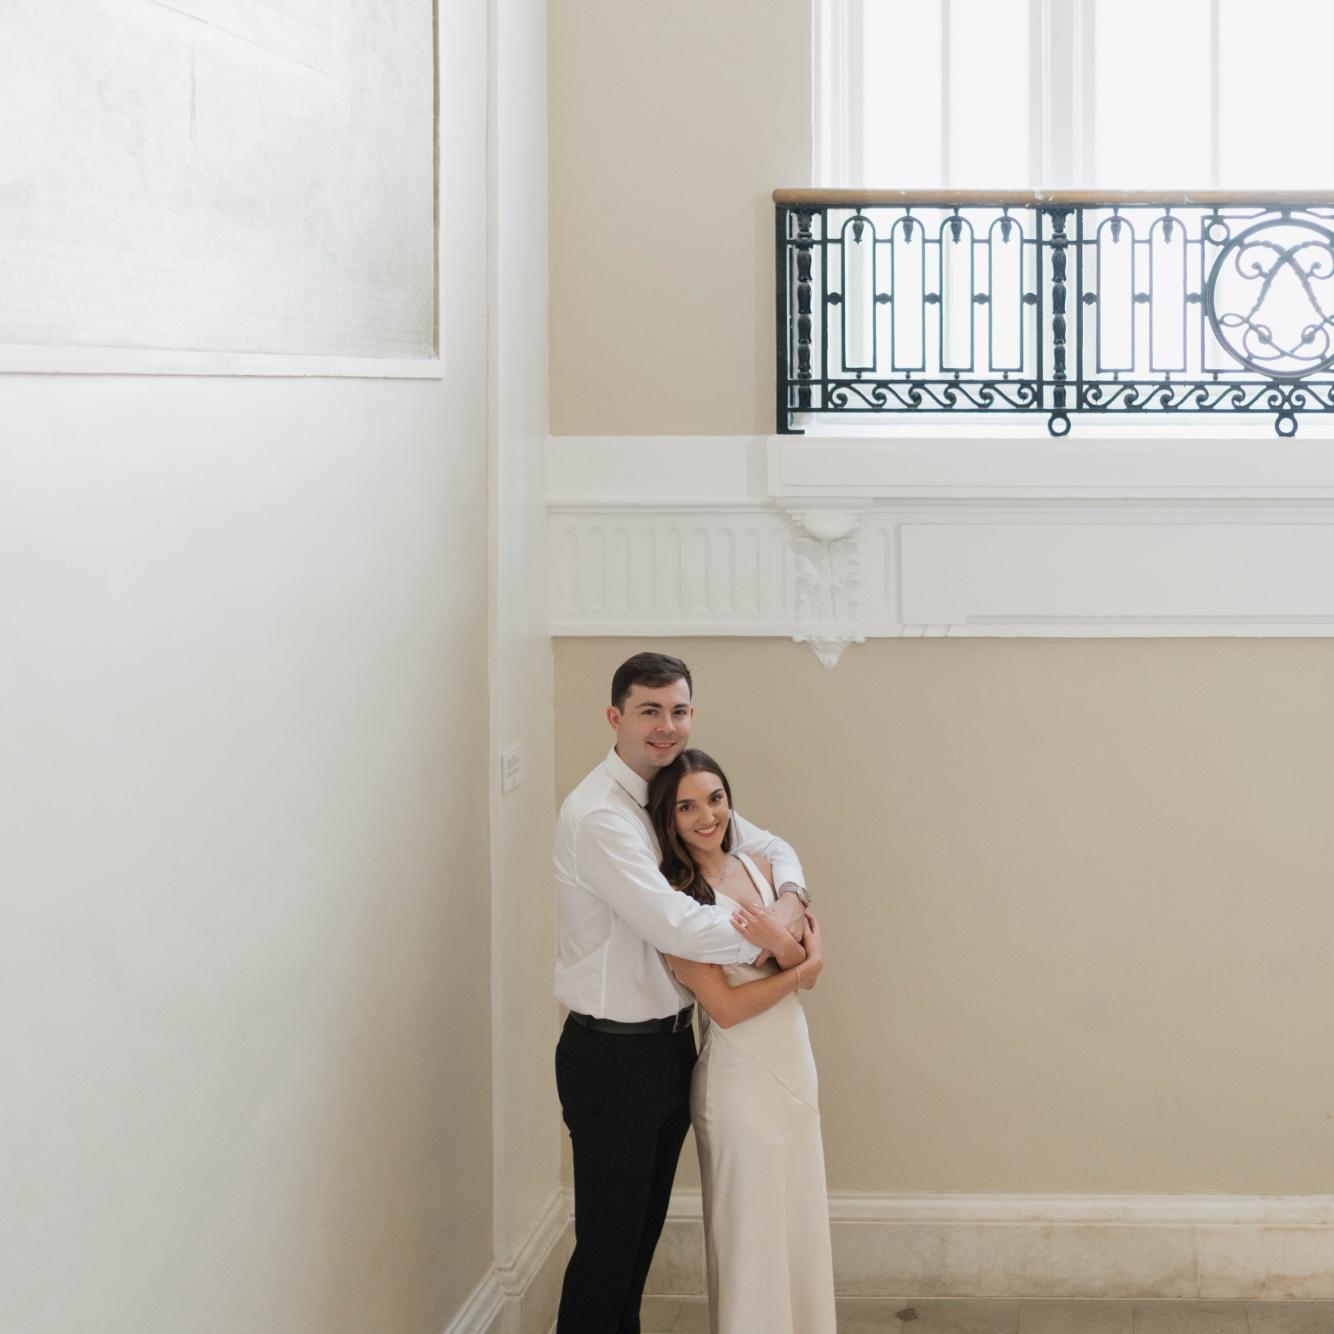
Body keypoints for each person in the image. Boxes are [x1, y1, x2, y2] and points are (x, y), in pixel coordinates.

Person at [553, 652, 812, 1334]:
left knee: (636, 1249)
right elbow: (677, 924)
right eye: (650, 711)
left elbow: (772, 846)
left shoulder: (674, 791)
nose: (666, 726)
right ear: (615, 717)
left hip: (671, 1049)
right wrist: (779, 946)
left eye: (679, 710)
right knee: (608, 1253)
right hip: (611, 1054)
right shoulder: (600, 815)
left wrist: (791, 899)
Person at [647, 749, 835, 1334]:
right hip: (740, 1079)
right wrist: (798, 968)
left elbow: (802, 959)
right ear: (668, 818)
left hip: (793, 1062)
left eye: (716, 799)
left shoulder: (758, 867)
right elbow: (727, 1009)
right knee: (749, 1230)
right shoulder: (671, 900)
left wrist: (786, 951)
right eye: (687, 807)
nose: (707, 816)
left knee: (798, 1215)